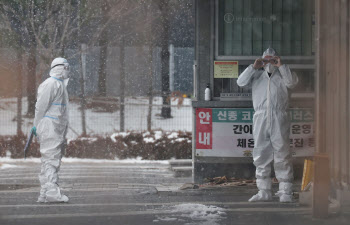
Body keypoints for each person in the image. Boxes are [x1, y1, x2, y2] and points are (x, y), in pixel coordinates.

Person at [237, 47, 298, 203]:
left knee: (282, 153)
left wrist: (281, 66)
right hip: (261, 117)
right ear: (262, 61)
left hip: (280, 116)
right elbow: (240, 82)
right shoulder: (257, 75)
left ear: (277, 59)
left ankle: (286, 192)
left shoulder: (284, 75)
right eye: (266, 60)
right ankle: (264, 191)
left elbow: (292, 83)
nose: (269, 63)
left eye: (272, 60)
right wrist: (253, 67)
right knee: (261, 153)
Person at [31, 57, 70, 203]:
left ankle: (45, 192)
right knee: (51, 159)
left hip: (55, 127)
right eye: (66, 68)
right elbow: (40, 106)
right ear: (61, 68)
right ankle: (52, 192)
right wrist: (36, 124)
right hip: (50, 126)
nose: (68, 71)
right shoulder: (50, 84)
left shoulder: (59, 85)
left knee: (49, 159)